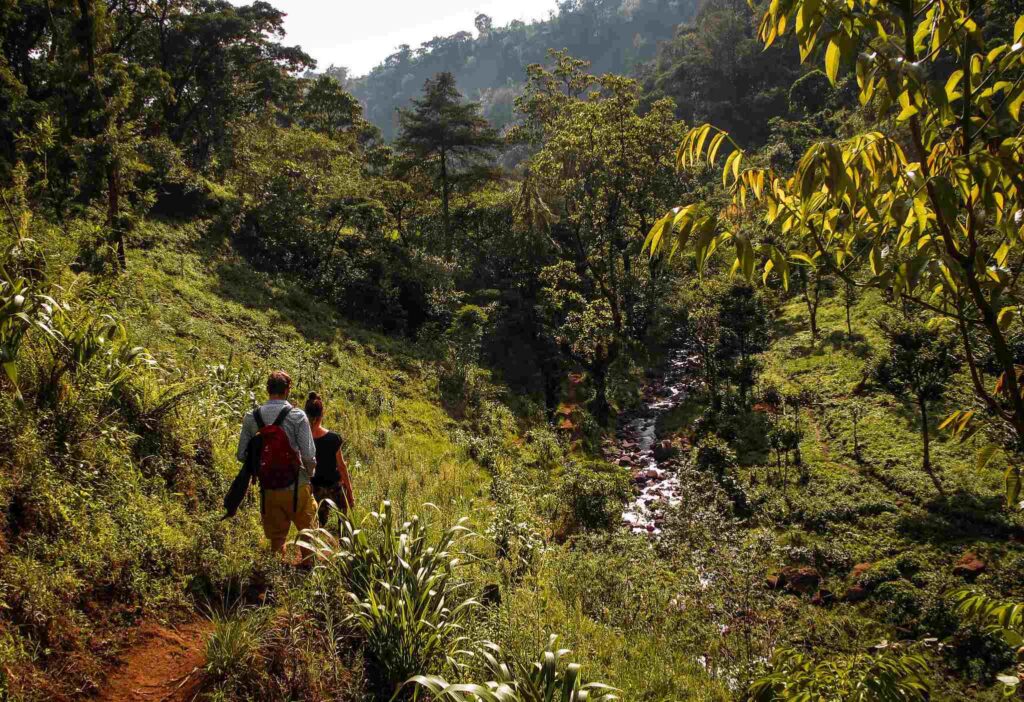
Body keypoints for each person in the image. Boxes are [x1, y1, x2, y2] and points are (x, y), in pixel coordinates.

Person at [236, 370, 318, 562]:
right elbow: (308, 454)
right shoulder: (297, 416)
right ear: (288, 390)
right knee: (308, 535)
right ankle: (309, 573)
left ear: (267, 389)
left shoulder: (251, 417)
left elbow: (241, 455)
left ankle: (274, 581)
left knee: (277, 539)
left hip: (269, 489)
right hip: (297, 486)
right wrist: (310, 474)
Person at [305, 391, 355, 530]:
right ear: (322, 414)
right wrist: (350, 494)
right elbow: (342, 467)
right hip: (334, 487)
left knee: (318, 524)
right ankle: (343, 541)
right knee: (344, 518)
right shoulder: (333, 438)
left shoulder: (303, 439)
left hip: (315, 488)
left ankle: (317, 543)